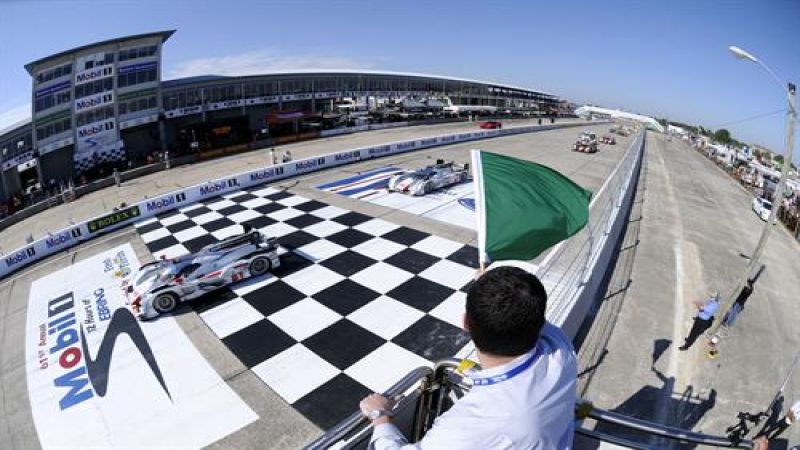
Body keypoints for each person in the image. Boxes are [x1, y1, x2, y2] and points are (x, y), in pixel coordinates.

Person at [359, 266, 577, 449]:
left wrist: (380, 416)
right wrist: (494, 289)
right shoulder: (559, 346)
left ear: (465, 323)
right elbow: (525, 311)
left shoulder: (472, 425)